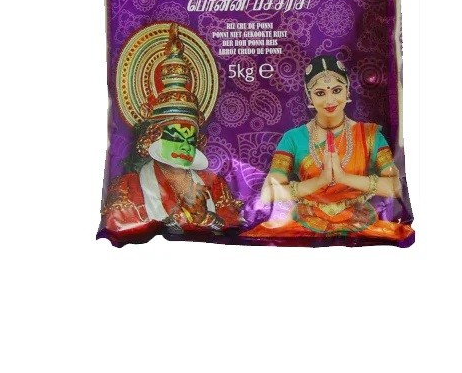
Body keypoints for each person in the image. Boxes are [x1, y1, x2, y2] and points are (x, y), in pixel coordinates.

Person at [243, 55, 413, 241]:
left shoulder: (369, 135)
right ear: (309, 96)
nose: (330, 100)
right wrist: (320, 181)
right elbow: (268, 193)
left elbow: (395, 186)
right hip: (304, 223)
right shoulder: (293, 138)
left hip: (361, 222)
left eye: (336, 90)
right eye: (320, 93)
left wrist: (343, 177)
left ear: (347, 90)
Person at [100, 24, 243, 237]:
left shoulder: (215, 186)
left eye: (190, 139)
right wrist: (178, 216)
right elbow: (119, 225)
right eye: (176, 137)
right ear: (154, 137)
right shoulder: (127, 186)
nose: (185, 146)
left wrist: (206, 218)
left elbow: (235, 226)